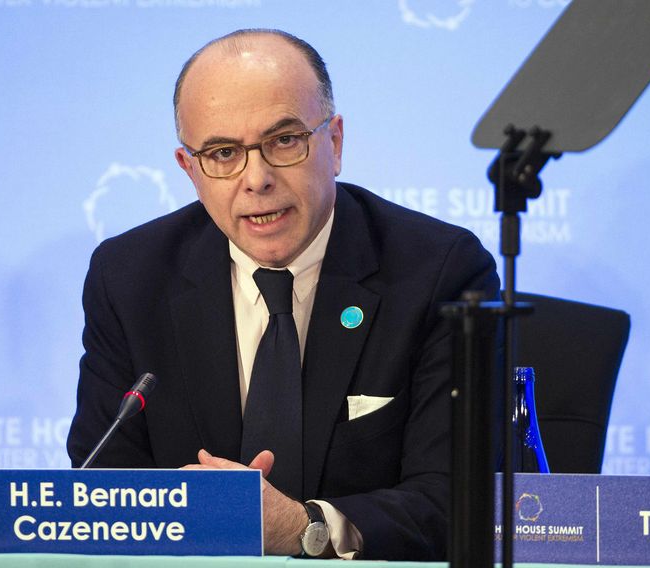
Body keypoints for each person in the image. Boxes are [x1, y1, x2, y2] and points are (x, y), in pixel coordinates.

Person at [67, 28, 499, 560]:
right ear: (190, 169)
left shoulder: (439, 272)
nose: (257, 178)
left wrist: (306, 527)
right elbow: (97, 495)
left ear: (334, 143)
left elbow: (458, 498)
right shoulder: (130, 277)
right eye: (223, 153)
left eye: (284, 141)